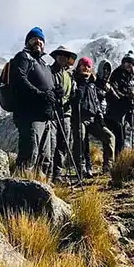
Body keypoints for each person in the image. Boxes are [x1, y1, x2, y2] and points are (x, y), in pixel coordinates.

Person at [9, 27, 59, 176]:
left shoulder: (43, 63)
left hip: (46, 117)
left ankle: (40, 191)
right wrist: (40, 94)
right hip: (29, 115)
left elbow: (48, 88)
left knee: (45, 158)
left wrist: (55, 93)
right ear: (27, 41)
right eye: (34, 39)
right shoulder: (23, 57)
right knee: (30, 154)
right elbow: (19, 79)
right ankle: (20, 189)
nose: (38, 41)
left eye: (41, 40)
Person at [71, 57, 115, 177]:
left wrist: (99, 114)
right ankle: (81, 169)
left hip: (93, 118)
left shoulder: (92, 83)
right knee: (80, 141)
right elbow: (72, 100)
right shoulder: (74, 80)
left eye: (88, 66)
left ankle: (108, 167)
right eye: (84, 65)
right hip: (79, 117)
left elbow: (95, 100)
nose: (86, 68)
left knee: (109, 137)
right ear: (79, 67)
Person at [104, 51, 134, 155]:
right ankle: (119, 160)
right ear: (123, 62)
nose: (129, 65)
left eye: (131, 63)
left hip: (131, 108)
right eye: (127, 62)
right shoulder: (116, 74)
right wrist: (126, 98)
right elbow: (114, 91)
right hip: (117, 110)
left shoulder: (133, 78)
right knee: (120, 136)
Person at [49, 45, 77, 183]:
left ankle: (57, 174)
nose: (63, 58)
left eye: (66, 56)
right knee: (51, 143)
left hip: (65, 113)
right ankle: (48, 174)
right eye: (60, 55)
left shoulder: (69, 76)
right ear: (56, 57)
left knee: (63, 143)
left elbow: (71, 95)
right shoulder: (48, 72)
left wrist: (75, 96)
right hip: (52, 113)